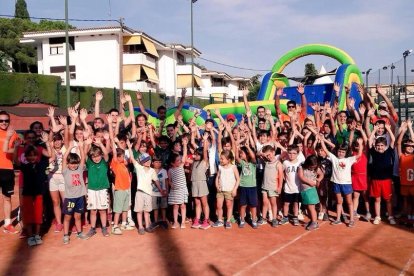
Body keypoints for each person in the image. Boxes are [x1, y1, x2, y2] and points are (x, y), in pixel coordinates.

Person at [320, 135, 363, 227]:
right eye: (339, 151)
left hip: (346, 184)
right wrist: (322, 140)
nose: (341, 153)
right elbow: (326, 150)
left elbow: (359, 155)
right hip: (336, 183)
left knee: (349, 202)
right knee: (339, 202)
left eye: (343, 152)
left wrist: (360, 144)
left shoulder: (349, 160)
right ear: (337, 151)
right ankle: (338, 219)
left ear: (346, 152)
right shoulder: (334, 158)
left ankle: (351, 220)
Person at [15, 145, 48, 246]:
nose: (32, 157)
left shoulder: (41, 164)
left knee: (38, 214)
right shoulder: (25, 167)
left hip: (38, 193)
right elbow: (16, 161)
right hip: (27, 193)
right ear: (26, 157)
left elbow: (52, 156)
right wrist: (16, 148)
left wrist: (47, 142)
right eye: (29, 156)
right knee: (28, 215)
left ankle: (37, 235)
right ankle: (30, 236)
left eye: (34, 155)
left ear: (37, 156)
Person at [127, 141, 163, 235]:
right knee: (139, 211)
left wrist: (161, 190)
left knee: (147, 211)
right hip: (140, 193)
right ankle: (141, 227)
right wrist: (130, 148)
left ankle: (147, 226)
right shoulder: (139, 168)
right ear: (142, 162)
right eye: (145, 160)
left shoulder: (152, 171)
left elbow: (156, 181)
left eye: (148, 160)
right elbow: (133, 159)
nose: (147, 162)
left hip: (148, 194)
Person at [368, 123, 396, 225]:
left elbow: (393, 140)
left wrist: (388, 129)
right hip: (375, 180)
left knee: (388, 200)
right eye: (378, 145)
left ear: (385, 146)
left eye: (382, 145)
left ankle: (390, 216)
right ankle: (377, 216)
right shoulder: (374, 152)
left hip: (386, 180)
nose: (380, 147)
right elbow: (369, 141)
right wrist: (374, 131)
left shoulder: (389, 151)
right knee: (377, 200)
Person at [62, 142, 88, 244]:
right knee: (68, 217)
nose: (74, 165)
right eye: (72, 163)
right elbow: (64, 158)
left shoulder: (80, 169)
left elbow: (82, 157)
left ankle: (79, 233)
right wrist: (70, 148)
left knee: (78, 216)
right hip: (70, 198)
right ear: (68, 164)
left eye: (75, 163)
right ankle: (65, 235)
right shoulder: (65, 171)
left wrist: (81, 147)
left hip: (80, 197)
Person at [84, 138, 110, 238]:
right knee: (93, 210)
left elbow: (106, 154)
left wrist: (100, 144)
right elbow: (85, 155)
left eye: (98, 156)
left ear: (101, 155)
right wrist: (87, 144)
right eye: (93, 156)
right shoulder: (90, 163)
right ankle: (93, 228)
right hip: (91, 190)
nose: (96, 158)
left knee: (102, 210)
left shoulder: (104, 162)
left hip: (103, 189)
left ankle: (104, 228)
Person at [0, 111, 20, 234]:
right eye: (1, 120)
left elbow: (16, 152)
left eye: (6, 120)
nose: (3, 123)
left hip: (7, 169)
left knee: (7, 198)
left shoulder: (14, 134)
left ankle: (7, 224)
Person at [110, 139, 134, 235]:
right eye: (122, 157)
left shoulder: (123, 164)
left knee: (125, 208)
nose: (124, 158)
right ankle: (115, 226)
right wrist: (112, 140)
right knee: (118, 209)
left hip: (126, 190)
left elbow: (130, 159)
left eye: (124, 156)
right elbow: (115, 152)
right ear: (117, 157)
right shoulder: (115, 164)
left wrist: (129, 147)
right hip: (119, 190)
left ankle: (124, 224)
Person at [212, 150, 240, 229]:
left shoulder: (233, 167)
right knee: (219, 205)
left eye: (222, 159)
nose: (220, 160)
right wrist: (217, 186)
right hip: (220, 190)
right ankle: (220, 220)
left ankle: (228, 221)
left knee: (229, 205)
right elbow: (217, 178)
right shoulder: (220, 167)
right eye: (220, 158)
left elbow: (238, 179)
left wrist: (235, 190)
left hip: (229, 190)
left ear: (229, 160)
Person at [236, 141, 259, 229]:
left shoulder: (253, 163)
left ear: (247, 154)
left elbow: (253, 156)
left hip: (252, 187)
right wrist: (237, 148)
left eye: (242, 153)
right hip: (243, 187)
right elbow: (237, 157)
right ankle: (242, 219)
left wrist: (248, 147)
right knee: (243, 205)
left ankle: (254, 220)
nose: (241, 155)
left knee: (253, 205)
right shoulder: (242, 163)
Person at [258, 145, 283, 227]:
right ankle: (263, 218)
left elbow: (281, 176)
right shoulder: (266, 161)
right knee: (265, 203)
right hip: (265, 187)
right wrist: (263, 154)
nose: (268, 157)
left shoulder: (278, 164)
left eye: (269, 155)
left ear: (273, 152)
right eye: (266, 155)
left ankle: (274, 219)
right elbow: (258, 154)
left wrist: (279, 187)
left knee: (273, 203)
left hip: (273, 187)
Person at [168, 138, 190, 229]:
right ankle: (176, 222)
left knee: (183, 206)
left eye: (179, 160)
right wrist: (171, 184)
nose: (180, 161)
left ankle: (183, 222)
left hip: (182, 190)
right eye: (177, 160)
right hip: (174, 191)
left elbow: (184, 155)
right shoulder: (170, 170)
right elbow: (169, 180)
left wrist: (184, 145)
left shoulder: (181, 167)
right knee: (175, 206)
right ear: (172, 163)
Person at [190, 134, 210, 230]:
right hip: (194, 184)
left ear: (201, 155)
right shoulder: (194, 162)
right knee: (197, 203)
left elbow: (205, 151)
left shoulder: (204, 161)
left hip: (202, 184)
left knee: (204, 203)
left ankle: (206, 220)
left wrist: (205, 141)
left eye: (197, 154)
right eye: (195, 153)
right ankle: (197, 219)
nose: (195, 155)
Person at [298, 155, 323, 231]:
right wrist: (310, 182)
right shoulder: (301, 167)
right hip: (304, 190)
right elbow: (301, 177)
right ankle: (312, 220)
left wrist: (318, 180)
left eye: (314, 166)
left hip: (311, 190)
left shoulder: (316, 168)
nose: (312, 168)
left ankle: (314, 223)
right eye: (311, 166)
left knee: (311, 207)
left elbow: (321, 174)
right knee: (307, 207)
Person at [280, 145, 303, 226]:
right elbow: (281, 171)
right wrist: (284, 178)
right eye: (290, 153)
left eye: (294, 153)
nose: (292, 155)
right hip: (288, 187)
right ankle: (285, 217)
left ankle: (295, 217)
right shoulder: (285, 163)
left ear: (297, 154)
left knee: (296, 203)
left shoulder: (300, 163)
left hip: (297, 188)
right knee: (286, 203)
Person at [397, 120, 414, 222]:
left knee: (413, 200)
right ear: (404, 147)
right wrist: (403, 130)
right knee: (405, 200)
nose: (410, 148)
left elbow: (413, 140)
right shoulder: (401, 156)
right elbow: (398, 143)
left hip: (413, 184)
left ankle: (412, 214)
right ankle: (408, 215)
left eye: (412, 147)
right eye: (408, 146)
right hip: (404, 183)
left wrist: (410, 128)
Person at [151, 156, 169, 229]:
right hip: (153, 193)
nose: (158, 163)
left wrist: (167, 190)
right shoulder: (151, 170)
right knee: (155, 208)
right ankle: (156, 222)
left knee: (163, 207)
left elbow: (166, 181)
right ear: (153, 163)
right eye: (156, 162)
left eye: (160, 162)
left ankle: (164, 221)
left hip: (163, 192)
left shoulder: (164, 171)